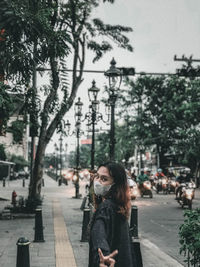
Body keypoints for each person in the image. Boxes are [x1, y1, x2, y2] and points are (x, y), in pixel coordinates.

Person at [88, 162, 136, 267]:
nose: (97, 182)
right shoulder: (117, 206)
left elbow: (99, 234)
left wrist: (103, 256)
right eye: (97, 177)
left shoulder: (106, 208)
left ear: (116, 185)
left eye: (104, 179)